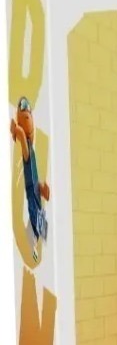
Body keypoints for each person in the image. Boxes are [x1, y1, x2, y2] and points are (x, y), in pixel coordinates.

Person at [10, 97, 49, 261]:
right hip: (32, 191)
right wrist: (17, 131)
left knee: (36, 214)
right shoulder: (27, 149)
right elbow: (22, 138)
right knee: (35, 214)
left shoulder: (32, 151)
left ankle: (34, 244)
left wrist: (42, 187)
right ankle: (34, 247)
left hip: (34, 190)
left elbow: (34, 174)